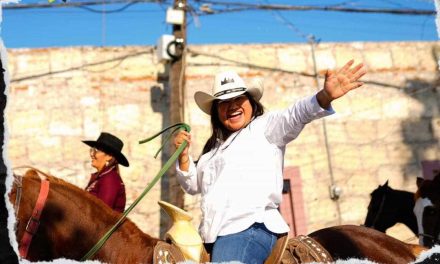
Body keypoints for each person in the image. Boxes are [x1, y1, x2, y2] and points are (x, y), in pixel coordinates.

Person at [173, 59, 366, 263]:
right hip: (210, 236)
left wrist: (324, 96)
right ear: (216, 112)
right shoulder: (211, 152)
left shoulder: (265, 128)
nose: (232, 106)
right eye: (224, 102)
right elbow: (193, 186)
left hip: (248, 229)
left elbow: (295, 115)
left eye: (239, 99)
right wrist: (184, 156)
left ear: (251, 103)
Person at [83, 132, 129, 213]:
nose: (92, 154)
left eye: (96, 151)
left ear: (109, 156)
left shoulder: (110, 179)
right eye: (93, 150)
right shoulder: (102, 177)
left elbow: (102, 213)